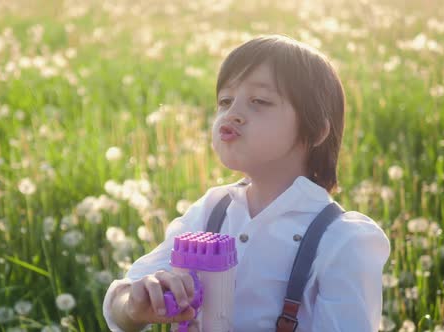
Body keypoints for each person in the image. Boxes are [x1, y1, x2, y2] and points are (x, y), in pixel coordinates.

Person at [102, 34, 390, 331]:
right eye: (225, 101)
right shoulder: (211, 210)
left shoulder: (342, 240)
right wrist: (135, 305)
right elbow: (120, 303)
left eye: (260, 101)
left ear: (316, 130)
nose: (233, 113)